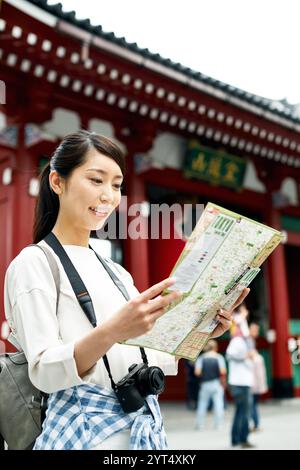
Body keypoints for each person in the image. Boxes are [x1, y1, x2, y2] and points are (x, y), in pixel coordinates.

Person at [4, 130, 248, 450]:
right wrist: (113, 330)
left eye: (117, 184)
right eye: (96, 180)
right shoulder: (34, 263)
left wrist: (204, 328)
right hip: (80, 435)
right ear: (57, 182)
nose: (109, 195)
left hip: (141, 434)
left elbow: (147, 352)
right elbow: (44, 371)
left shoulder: (116, 272)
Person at [226, 302, 255, 448]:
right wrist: (245, 356)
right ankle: (242, 439)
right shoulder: (237, 339)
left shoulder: (241, 340)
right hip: (240, 382)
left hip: (241, 380)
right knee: (244, 412)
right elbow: (230, 354)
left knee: (240, 411)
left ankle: (236, 439)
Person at [194, 340, 226, 430]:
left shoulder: (201, 358)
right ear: (215, 347)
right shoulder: (219, 357)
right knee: (218, 404)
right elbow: (223, 371)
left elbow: (197, 372)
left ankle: (200, 425)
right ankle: (219, 424)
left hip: (205, 384)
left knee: (202, 404)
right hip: (216, 383)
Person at [248, 323, 268, 431]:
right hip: (250, 381)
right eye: (255, 330)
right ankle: (254, 424)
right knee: (251, 404)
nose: (256, 333)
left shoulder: (251, 342)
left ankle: (254, 424)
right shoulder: (247, 342)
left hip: (255, 381)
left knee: (253, 404)